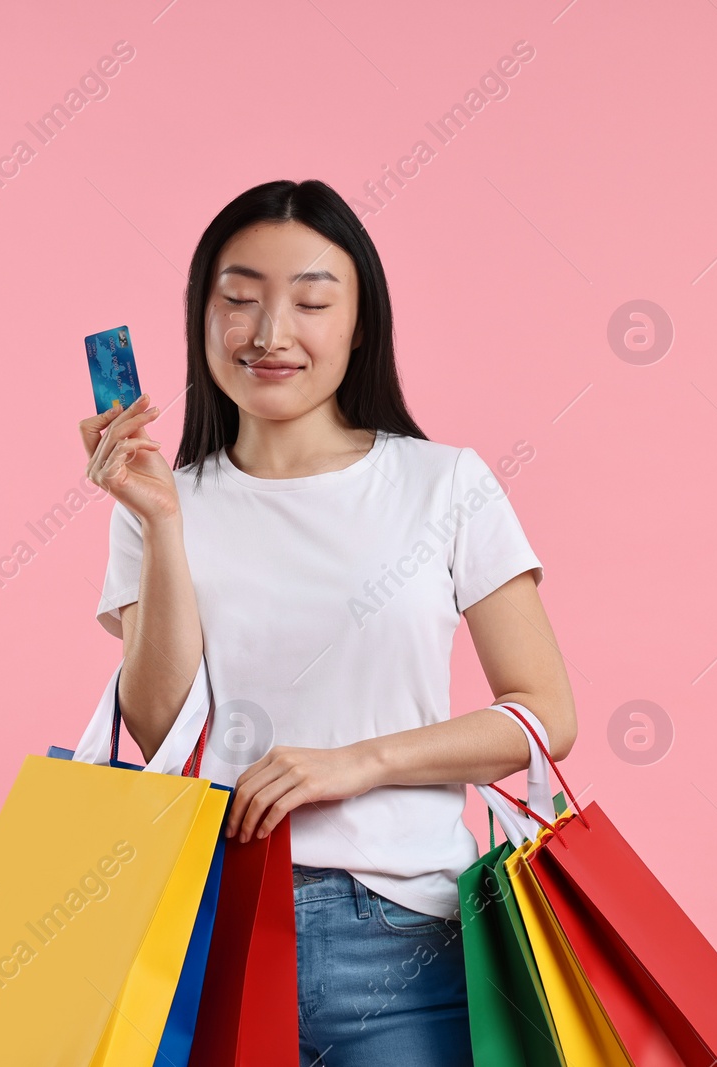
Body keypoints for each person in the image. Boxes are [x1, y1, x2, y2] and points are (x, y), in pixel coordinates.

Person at [76, 179, 577, 1067]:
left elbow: (543, 717)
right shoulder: (161, 500)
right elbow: (157, 730)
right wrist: (158, 522)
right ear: (203, 319)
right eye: (238, 300)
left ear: (359, 324)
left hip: (402, 940)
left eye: (310, 301)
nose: (270, 333)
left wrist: (357, 762)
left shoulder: (445, 485)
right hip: (204, 934)